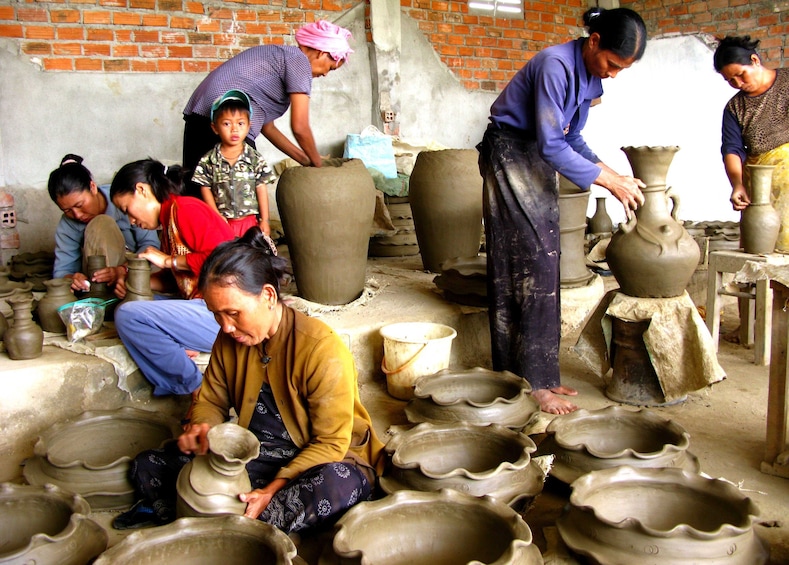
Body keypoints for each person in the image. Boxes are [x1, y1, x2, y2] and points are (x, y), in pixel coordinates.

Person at [113, 227, 385, 532]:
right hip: (256, 453)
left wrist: (273, 489)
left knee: (338, 485)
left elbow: (331, 442)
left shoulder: (321, 348)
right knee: (148, 463)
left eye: (233, 313)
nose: (226, 327)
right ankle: (229, 519)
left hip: (316, 457)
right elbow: (211, 400)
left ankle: (217, 520)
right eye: (216, 314)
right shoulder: (230, 337)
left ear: (268, 295)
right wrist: (203, 426)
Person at [477, 7, 647, 415]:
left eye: (622, 69)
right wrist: (607, 181)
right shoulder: (555, 64)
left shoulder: (590, 76)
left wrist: (615, 173)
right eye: (612, 63)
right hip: (508, 153)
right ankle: (526, 381)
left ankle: (543, 374)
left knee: (547, 263)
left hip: (535, 155)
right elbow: (554, 145)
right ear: (593, 42)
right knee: (524, 262)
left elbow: (574, 139)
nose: (613, 74)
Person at [109, 159, 234, 398]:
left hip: (225, 313)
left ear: (142, 190)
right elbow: (174, 280)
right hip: (205, 309)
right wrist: (135, 284)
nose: (132, 221)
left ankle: (197, 390)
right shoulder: (168, 220)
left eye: (127, 210)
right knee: (133, 304)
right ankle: (177, 346)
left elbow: (225, 261)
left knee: (128, 316)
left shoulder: (186, 209)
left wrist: (169, 261)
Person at [182, 19, 353, 191]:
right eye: (330, 68)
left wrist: (304, 158)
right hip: (226, 122)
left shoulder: (283, 57)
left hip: (200, 120)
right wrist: (318, 163)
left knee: (198, 197)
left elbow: (267, 127)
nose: (325, 74)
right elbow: (300, 127)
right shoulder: (299, 61)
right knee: (241, 203)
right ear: (321, 53)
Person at [714, 35, 789, 252]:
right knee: (762, 254)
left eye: (740, 75)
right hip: (758, 185)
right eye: (730, 80)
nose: (737, 84)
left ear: (755, 61)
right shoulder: (734, 108)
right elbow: (732, 149)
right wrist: (737, 184)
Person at [47, 154, 160, 294]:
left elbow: (151, 245)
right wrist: (72, 278)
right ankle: (101, 293)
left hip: (134, 269)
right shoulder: (67, 225)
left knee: (101, 222)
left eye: (80, 205)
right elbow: (62, 271)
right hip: (96, 278)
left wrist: (123, 270)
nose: (77, 215)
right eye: (67, 210)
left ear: (92, 187)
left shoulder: (122, 198)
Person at [192, 89, 277, 237]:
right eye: (226, 124)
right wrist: (216, 215)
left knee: (251, 257)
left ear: (248, 126)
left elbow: (261, 188)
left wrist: (265, 220)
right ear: (215, 128)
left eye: (240, 123)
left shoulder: (254, 158)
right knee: (226, 258)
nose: (234, 129)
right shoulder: (209, 160)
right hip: (222, 223)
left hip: (250, 223)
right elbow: (205, 188)